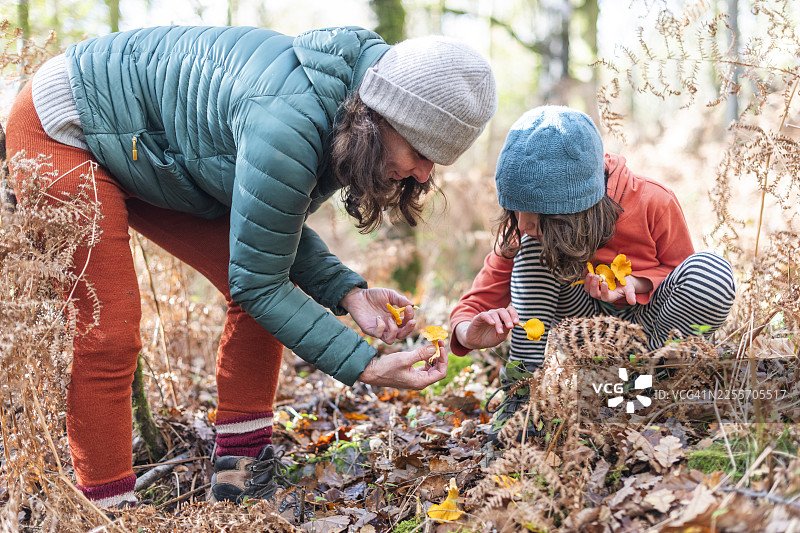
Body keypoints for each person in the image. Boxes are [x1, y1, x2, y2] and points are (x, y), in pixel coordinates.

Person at [5, 25, 497, 509]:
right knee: (108, 330)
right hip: (67, 125)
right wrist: (365, 365)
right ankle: (107, 508)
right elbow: (261, 280)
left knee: (262, 296)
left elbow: (267, 237)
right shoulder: (292, 120)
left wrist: (348, 293)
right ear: (383, 118)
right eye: (420, 152)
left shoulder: (344, 112)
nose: (424, 174)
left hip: (152, 154)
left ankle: (241, 470)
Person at [449, 106, 736, 444]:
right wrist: (469, 335)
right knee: (531, 252)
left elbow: (685, 279)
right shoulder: (525, 231)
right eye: (514, 209)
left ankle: (660, 389)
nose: (523, 224)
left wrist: (639, 283)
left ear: (577, 206)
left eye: (538, 215)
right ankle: (523, 398)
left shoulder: (653, 202)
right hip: (583, 334)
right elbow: (474, 304)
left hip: (651, 332)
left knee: (712, 272)